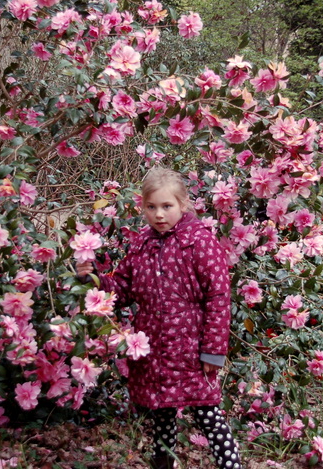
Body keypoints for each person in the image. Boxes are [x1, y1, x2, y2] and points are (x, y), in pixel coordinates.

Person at [76, 167, 242, 469]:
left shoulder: (200, 242)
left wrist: (213, 351)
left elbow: (218, 298)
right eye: (151, 207)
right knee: (161, 410)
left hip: (190, 348)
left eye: (167, 206)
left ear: (183, 204)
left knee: (207, 412)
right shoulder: (143, 243)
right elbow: (123, 288)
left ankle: (231, 466)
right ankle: (163, 463)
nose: (159, 214)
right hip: (154, 345)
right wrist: (94, 281)